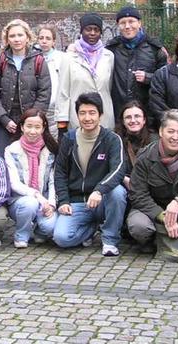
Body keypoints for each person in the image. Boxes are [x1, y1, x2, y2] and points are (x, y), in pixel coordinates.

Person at [53, 92, 127, 257]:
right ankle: (91, 229)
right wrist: (63, 200)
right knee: (61, 238)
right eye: (82, 113)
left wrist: (99, 190)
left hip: (102, 201)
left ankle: (110, 240)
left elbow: (118, 169)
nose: (87, 118)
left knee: (118, 192)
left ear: (100, 115)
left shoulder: (112, 139)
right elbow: (60, 172)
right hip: (77, 202)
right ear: (77, 115)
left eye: (92, 113)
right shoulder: (68, 139)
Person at [127, 110, 178, 249]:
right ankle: (157, 242)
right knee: (138, 225)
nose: (175, 137)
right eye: (170, 131)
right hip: (153, 210)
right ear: (161, 132)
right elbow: (138, 194)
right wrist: (162, 216)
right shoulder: (145, 157)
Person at [0, 19, 51, 154]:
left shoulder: (38, 60)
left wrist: (31, 121)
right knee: (2, 158)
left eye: (20, 35)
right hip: (4, 120)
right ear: (7, 39)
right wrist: (4, 120)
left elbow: (44, 93)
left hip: (30, 124)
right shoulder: (1, 60)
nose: (16, 39)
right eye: (12, 36)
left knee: (29, 158)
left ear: (27, 37)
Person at [5, 109, 58, 248]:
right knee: (30, 203)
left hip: (45, 199)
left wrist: (51, 204)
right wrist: (36, 195)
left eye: (37, 127)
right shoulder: (11, 150)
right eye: (29, 126)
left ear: (43, 128)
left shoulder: (51, 150)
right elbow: (14, 183)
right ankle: (22, 234)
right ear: (22, 127)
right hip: (20, 200)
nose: (32, 131)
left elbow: (53, 181)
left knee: (51, 228)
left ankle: (40, 231)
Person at [106, 5, 169, 121]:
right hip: (119, 114)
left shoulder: (155, 49)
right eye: (123, 23)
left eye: (131, 22)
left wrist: (148, 78)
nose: (127, 26)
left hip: (148, 115)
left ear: (139, 23)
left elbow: (167, 80)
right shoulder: (111, 49)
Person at [56, 14, 115, 132]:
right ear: (81, 31)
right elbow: (63, 92)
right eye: (88, 29)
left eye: (96, 30)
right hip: (79, 117)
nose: (92, 33)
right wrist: (62, 121)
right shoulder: (69, 57)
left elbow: (109, 87)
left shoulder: (109, 56)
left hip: (104, 117)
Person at [35, 24, 66, 138]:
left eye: (48, 38)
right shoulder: (32, 57)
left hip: (55, 107)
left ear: (54, 41)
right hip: (37, 105)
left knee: (53, 139)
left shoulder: (62, 58)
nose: (44, 41)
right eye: (41, 38)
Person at [115, 100, 153, 191]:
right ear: (123, 121)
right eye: (128, 117)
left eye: (137, 116)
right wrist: (124, 179)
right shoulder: (115, 140)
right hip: (124, 185)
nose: (133, 120)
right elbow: (109, 166)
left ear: (144, 120)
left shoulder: (155, 141)